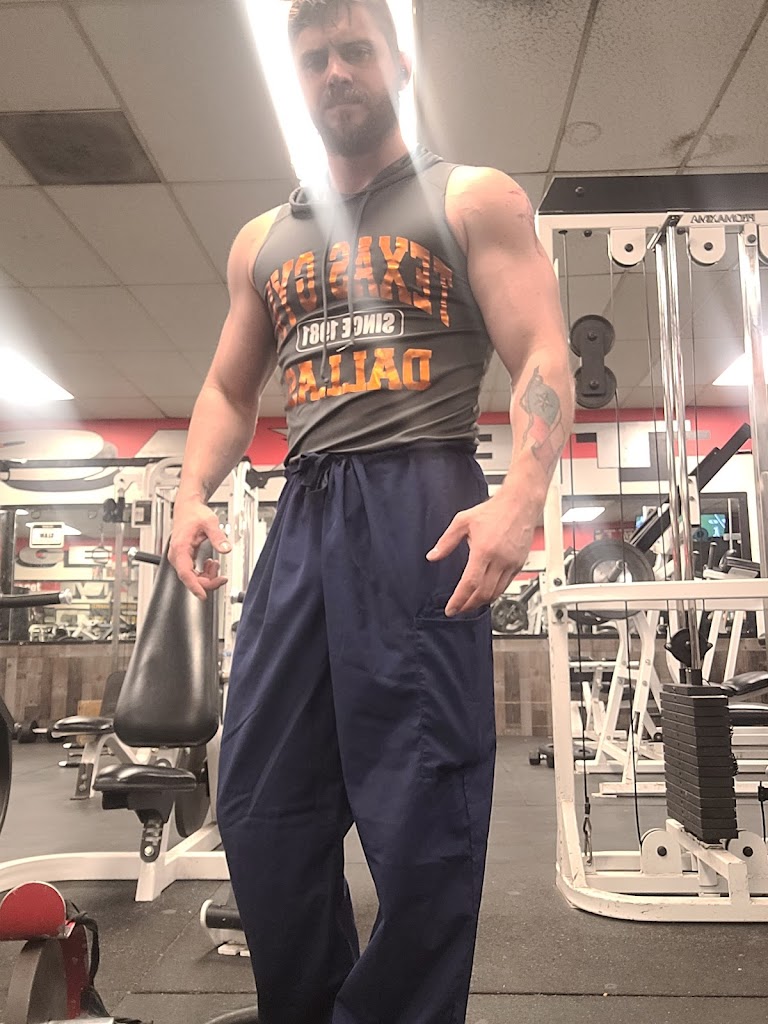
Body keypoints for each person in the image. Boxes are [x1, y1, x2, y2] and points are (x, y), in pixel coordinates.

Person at [169, 1, 573, 1021]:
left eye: (355, 50)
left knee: (423, 810)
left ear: (396, 64)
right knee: (259, 803)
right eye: (314, 58)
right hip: (305, 512)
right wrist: (189, 492)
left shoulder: (472, 197)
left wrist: (521, 498)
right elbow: (226, 389)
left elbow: (541, 350)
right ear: (296, 80)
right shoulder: (263, 240)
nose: (336, 71)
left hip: (420, 502)